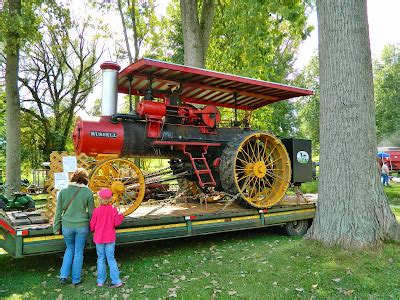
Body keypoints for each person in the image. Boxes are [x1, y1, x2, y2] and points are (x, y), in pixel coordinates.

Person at [53, 168, 94, 285]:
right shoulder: (88, 192)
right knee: (78, 252)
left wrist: (56, 227)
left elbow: (58, 211)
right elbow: (92, 213)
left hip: (67, 226)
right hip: (82, 226)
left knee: (69, 249)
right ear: (85, 179)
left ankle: (63, 276)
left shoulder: (63, 190)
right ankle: (76, 279)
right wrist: (93, 228)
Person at [90, 188, 124, 288]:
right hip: (110, 238)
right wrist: (121, 216)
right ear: (109, 199)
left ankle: (100, 281)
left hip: (99, 238)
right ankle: (116, 280)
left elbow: (92, 225)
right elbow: (116, 223)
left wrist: (93, 229)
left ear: (100, 198)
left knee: (100, 258)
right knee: (111, 258)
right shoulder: (113, 209)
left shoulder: (96, 211)